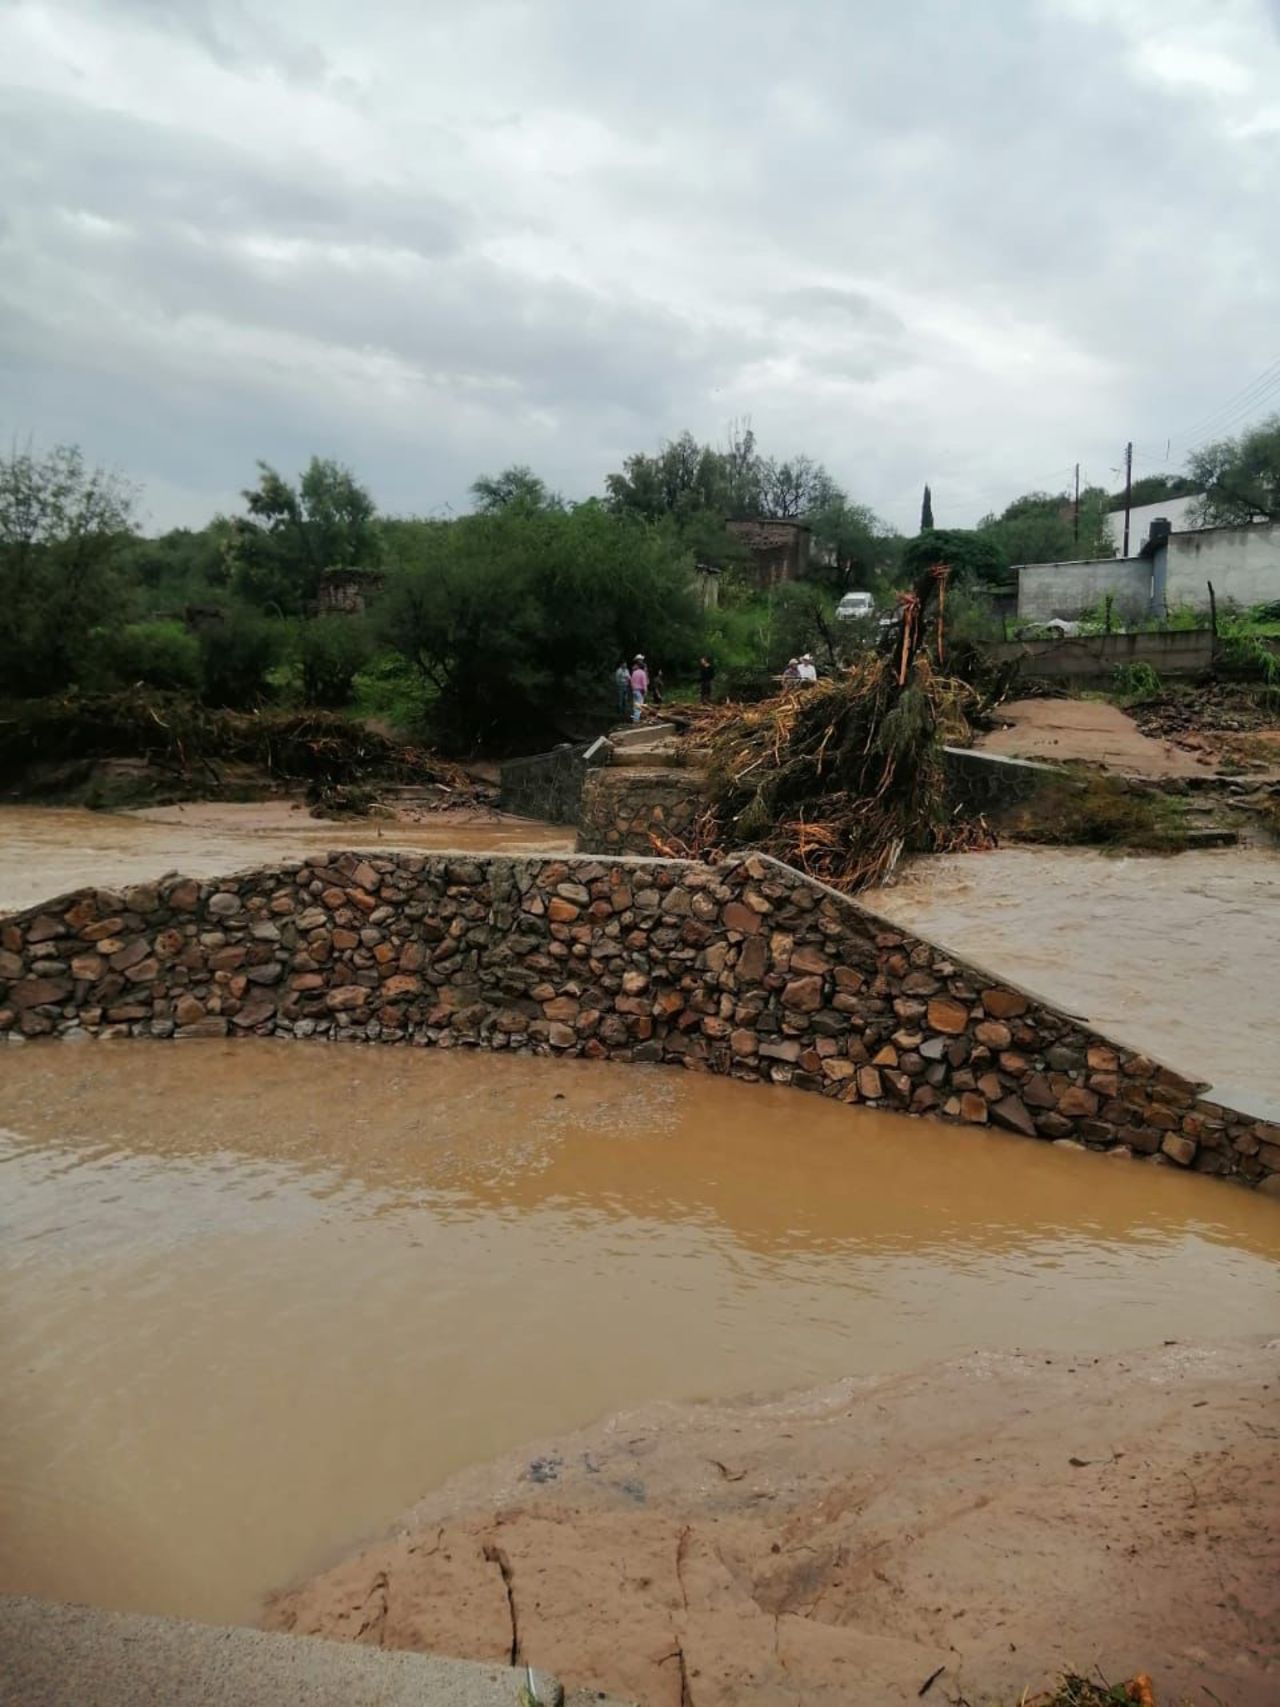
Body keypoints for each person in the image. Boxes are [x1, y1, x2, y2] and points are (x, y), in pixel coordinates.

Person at [629, 654, 648, 722]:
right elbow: (644, 683)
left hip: (634, 690)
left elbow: (631, 681)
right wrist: (645, 691)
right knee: (639, 706)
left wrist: (633, 688)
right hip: (640, 691)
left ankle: (635, 718)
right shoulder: (642, 673)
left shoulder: (634, 672)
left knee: (635, 705)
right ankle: (636, 720)